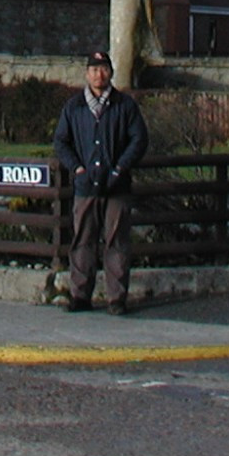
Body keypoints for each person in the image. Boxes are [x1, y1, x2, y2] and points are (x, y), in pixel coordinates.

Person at [51, 50, 149, 314]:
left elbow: (138, 139)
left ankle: (117, 298)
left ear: (111, 72)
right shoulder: (74, 107)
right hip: (85, 187)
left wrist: (119, 168)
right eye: (94, 69)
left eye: (104, 69)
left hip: (116, 186)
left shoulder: (125, 106)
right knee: (83, 240)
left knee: (116, 242)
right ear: (87, 73)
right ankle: (80, 295)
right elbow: (61, 141)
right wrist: (77, 169)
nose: (99, 74)